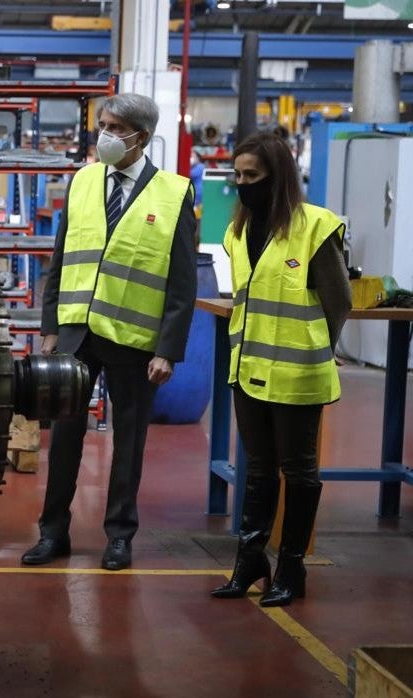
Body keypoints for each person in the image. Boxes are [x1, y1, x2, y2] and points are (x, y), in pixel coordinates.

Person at [24, 93, 197, 571]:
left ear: (140, 137)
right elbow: (61, 260)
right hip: (77, 333)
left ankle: (120, 536)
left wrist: (168, 349)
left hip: (134, 339)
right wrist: (50, 327)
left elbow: (182, 281)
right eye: (102, 124)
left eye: (115, 127)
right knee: (64, 438)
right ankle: (51, 532)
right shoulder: (82, 182)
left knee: (129, 442)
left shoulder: (174, 192)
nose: (104, 135)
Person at [210, 132, 350, 607]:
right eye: (238, 174)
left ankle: (292, 568)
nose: (242, 183)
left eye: (252, 175)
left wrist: (321, 347)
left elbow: (340, 301)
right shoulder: (236, 232)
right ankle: (250, 562)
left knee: (300, 470)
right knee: (259, 469)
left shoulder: (314, 226)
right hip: (248, 367)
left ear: (278, 177)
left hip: (298, 373)